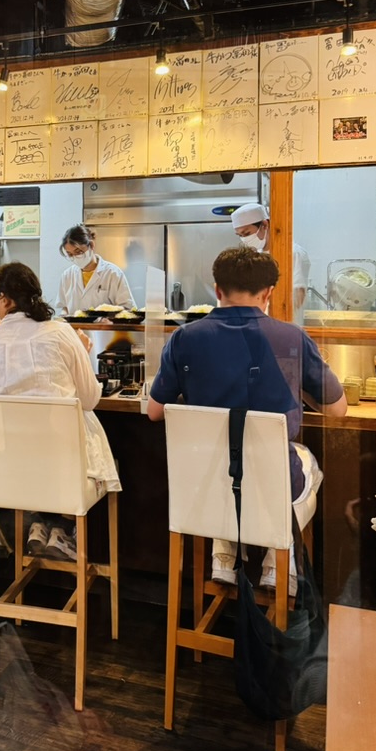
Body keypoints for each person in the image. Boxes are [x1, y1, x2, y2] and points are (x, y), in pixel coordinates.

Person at [147, 246, 346, 594]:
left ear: (217, 289)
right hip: (272, 488)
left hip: (204, 490)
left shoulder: (184, 338)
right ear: (268, 293)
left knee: (225, 460)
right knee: (305, 462)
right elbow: (337, 409)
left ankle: (223, 557)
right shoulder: (291, 337)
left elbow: (154, 411)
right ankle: (278, 558)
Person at [0, 262, 121, 561]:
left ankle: (43, 525)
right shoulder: (61, 333)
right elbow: (90, 399)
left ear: (5, 300)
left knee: (36, 458)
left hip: (5, 475)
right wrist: (83, 355)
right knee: (88, 449)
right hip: (62, 475)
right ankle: (62, 529)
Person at [230, 202, 311, 325]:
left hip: (285, 326)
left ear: (264, 225)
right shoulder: (256, 255)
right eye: (240, 235)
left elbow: (298, 297)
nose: (244, 239)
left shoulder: (293, 253)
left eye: (247, 233)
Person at [54, 223, 133, 316]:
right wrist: (62, 317)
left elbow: (127, 308)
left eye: (78, 252)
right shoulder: (67, 275)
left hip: (105, 325)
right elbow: (65, 307)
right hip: (74, 325)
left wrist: (109, 319)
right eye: (70, 254)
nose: (75, 257)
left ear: (91, 245)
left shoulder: (112, 273)